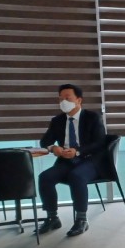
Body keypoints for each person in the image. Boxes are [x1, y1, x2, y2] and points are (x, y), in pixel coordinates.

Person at [37, 83, 106, 237]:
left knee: (77, 176)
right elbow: (44, 141)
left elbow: (99, 143)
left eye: (67, 98)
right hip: (66, 161)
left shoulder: (93, 117)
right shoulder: (58, 120)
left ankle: (81, 220)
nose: (63, 102)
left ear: (79, 100)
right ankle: (52, 218)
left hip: (89, 160)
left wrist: (77, 151)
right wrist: (53, 148)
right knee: (45, 177)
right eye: (60, 99)